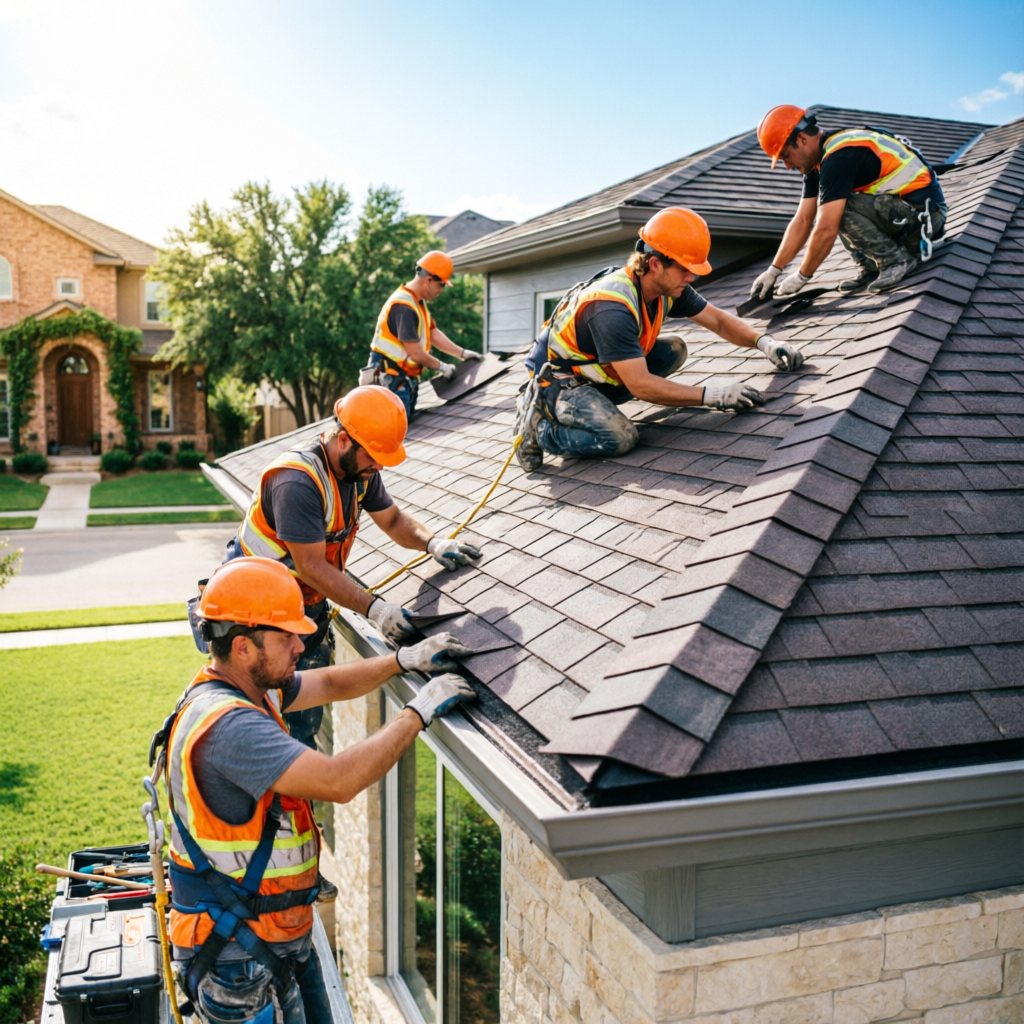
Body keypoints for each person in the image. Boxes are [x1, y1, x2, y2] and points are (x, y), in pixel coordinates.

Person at [164, 556, 476, 1024]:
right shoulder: (230, 727)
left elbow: (327, 681)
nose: (300, 643)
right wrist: (419, 712)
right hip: (238, 958)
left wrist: (400, 660)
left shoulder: (246, 686)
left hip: (269, 933)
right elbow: (338, 780)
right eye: (286, 635)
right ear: (244, 647)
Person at [228, 386, 482, 750]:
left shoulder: (360, 470)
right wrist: (376, 609)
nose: (378, 466)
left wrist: (432, 543)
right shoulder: (298, 482)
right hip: (255, 624)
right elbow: (312, 567)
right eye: (373, 457)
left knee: (303, 733)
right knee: (267, 733)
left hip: (300, 613)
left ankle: (297, 799)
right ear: (344, 439)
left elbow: (393, 520)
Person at [515, 207, 804, 471]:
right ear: (654, 264)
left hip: (595, 369)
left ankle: (594, 404)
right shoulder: (610, 307)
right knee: (619, 437)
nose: (692, 277)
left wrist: (765, 343)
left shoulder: (666, 287)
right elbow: (640, 385)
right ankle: (540, 430)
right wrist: (712, 396)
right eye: (685, 268)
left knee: (674, 349)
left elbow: (717, 320)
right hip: (556, 380)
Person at [750, 106, 948, 300]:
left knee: (836, 207)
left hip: (925, 218)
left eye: (786, 156)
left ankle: (895, 260)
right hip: (903, 215)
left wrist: (803, 276)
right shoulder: (819, 162)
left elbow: (826, 228)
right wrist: (774, 270)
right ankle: (871, 266)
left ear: (802, 139)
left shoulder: (839, 156)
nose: (787, 165)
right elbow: (802, 220)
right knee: (832, 204)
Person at [367, 250, 482, 418]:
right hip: (390, 381)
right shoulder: (404, 307)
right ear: (428, 279)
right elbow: (415, 352)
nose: (442, 290)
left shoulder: (416, 303)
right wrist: (441, 367)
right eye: (441, 284)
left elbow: (432, 332)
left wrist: (462, 353)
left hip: (402, 381)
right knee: (393, 432)